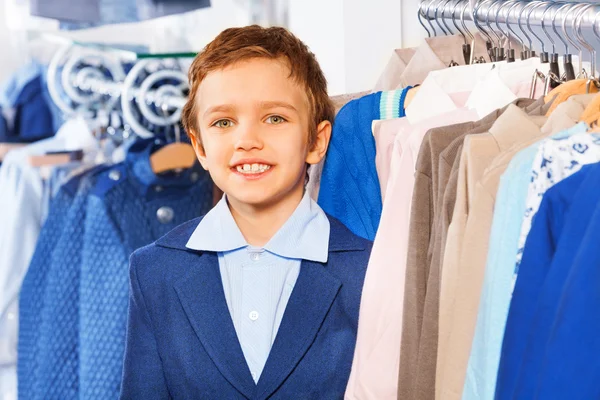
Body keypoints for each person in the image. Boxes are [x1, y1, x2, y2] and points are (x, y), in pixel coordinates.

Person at [119, 25, 372, 399]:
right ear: (200, 146)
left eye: (274, 119)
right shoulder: (155, 270)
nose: (248, 141)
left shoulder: (370, 269)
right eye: (223, 122)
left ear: (317, 140)